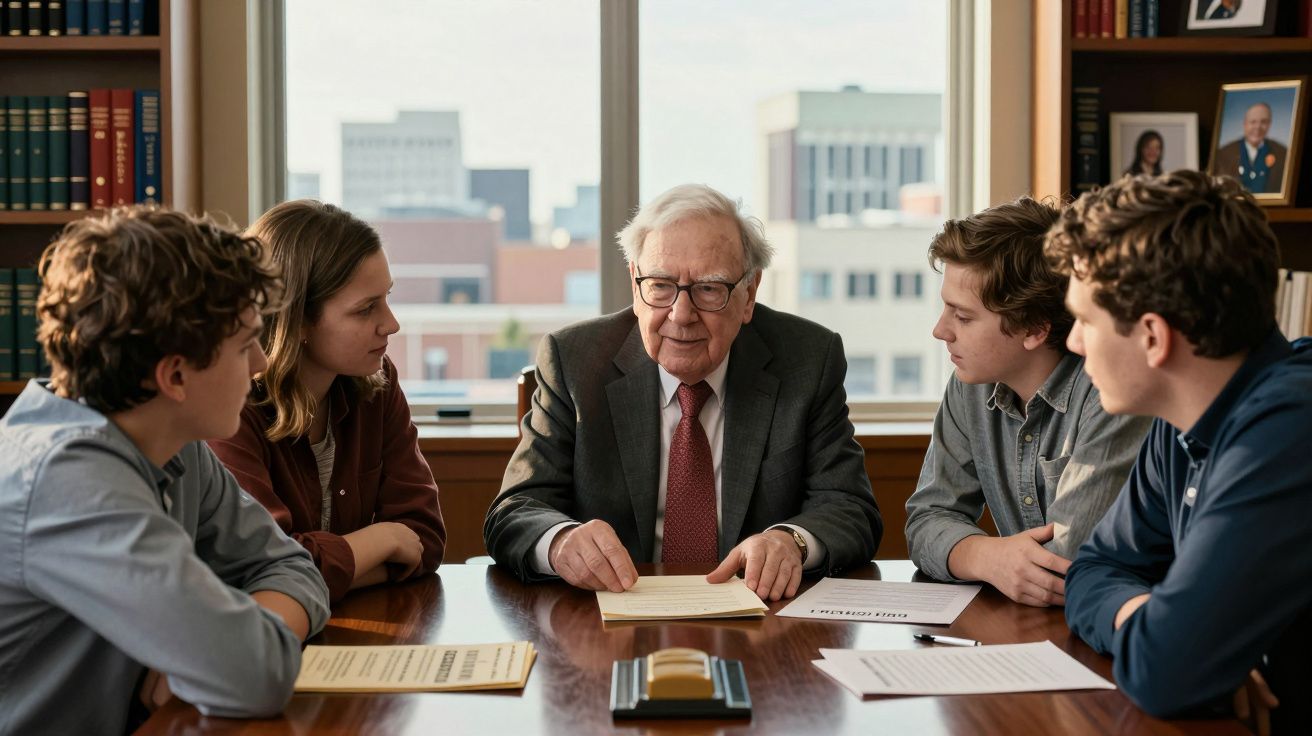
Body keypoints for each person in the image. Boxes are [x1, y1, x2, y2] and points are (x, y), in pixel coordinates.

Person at [0, 207, 331, 735]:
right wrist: (222, 655)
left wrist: (208, 653)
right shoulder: (66, 483)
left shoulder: (174, 444)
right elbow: (255, 675)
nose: (261, 365)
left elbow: (293, 568)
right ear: (176, 375)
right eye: (245, 344)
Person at [484, 183, 881, 602]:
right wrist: (561, 541)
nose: (681, 314)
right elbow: (514, 511)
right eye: (660, 285)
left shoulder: (806, 360)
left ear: (749, 294)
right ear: (634, 282)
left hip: (758, 621)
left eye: (709, 289)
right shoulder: (575, 362)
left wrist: (792, 541)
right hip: (609, 621)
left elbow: (850, 508)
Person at [1051, 170, 1312, 731]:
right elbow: (1096, 568)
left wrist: (1179, 647)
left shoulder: (1291, 427)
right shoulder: (1182, 415)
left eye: (1085, 320)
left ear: (1153, 336)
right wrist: (1148, 618)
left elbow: (1166, 671)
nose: (1072, 342)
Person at [905, 198, 1150, 607]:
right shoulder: (970, 381)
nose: (940, 330)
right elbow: (926, 519)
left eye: (962, 317)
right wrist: (985, 556)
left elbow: (1067, 562)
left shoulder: (1110, 392)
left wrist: (975, 555)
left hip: (1113, 630)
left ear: (1034, 329)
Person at [209, 200, 445, 604]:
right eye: (366, 308)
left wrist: (317, 572)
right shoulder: (228, 403)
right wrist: (381, 539)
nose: (391, 323)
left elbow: (424, 539)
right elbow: (257, 570)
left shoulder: (378, 380)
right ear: (297, 319)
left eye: (386, 297)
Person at [1213, 101, 1287, 194]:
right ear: (1245, 124)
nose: (1258, 127)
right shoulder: (1224, 154)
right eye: (1253, 122)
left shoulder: (1283, 154)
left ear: (1269, 124)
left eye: (1263, 122)